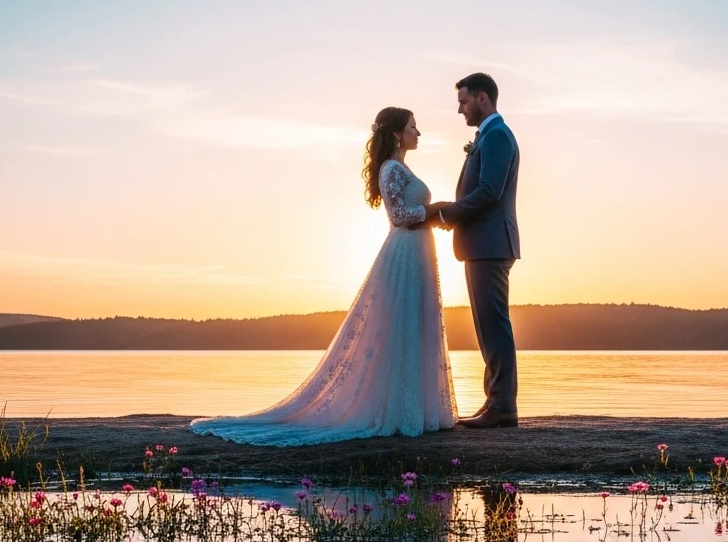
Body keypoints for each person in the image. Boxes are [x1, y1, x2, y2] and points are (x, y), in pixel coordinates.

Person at [190, 107, 456, 445]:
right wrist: (435, 209)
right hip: (403, 252)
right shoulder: (390, 169)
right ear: (396, 133)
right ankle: (394, 411)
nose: (418, 133)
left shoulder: (402, 167)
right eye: (413, 127)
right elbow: (399, 215)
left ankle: (417, 410)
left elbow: (411, 214)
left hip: (419, 251)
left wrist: (435, 218)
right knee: (400, 326)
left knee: (416, 324)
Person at [427, 73, 520, 428]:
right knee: (487, 325)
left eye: (464, 102)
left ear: (483, 98)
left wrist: (444, 213)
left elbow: (488, 193)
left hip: (490, 243)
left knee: (494, 325)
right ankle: (495, 401)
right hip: (483, 243)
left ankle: (502, 407)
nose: (461, 110)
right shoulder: (488, 136)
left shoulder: (497, 136)